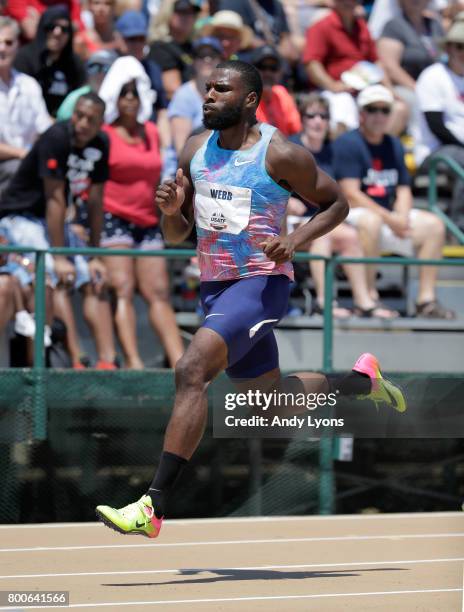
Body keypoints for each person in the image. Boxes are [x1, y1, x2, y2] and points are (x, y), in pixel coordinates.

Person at [96, 60, 406, 537]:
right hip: (216, 288)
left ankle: (151, 506)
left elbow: (338, 203)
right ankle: (361, 381)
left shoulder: (279, 153)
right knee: (268, 402)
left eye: (222, 89)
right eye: (207, 88)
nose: (209, 96)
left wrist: (297, 239)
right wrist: (173, 212)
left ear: (248, 100)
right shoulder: (195, 149)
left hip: (261, 285)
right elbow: (178, 234)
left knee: (191, 369)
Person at [0, 92, 118, 366]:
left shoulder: (101, 143)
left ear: (101, 123)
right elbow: (54, 199)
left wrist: (94, 253)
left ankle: (107, 362)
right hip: (21, 216)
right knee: (52, 272)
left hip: (55, 222)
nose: (82, 123)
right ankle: (77, 359)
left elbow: (96, 201)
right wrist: (60, 256)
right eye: (79, 115)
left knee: (95, 275)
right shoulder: (55, 137)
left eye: (91, 119)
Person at [333, 84, 455, 319]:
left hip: (385, 214)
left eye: (384, 110)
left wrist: (402, 216)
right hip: (352, 215)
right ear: (362, 113)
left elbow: (402, 187)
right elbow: (351, 193)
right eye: (372, 109)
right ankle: (369, 297)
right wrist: (391, 218)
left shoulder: (394, 144)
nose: (379, 115)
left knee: (434, 225)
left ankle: (425, 300)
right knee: (371, 221)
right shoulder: (348, 143)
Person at [98, 58, 184, 369]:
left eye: (135, 93)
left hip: (147, 219)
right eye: (124, 93)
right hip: (113, 215)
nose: (130, 100)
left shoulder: (150, 131)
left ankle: (180, 363)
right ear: (115, 98)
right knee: (121, 287)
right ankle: (134, 363)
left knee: (158, 291)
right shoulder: (104, 133)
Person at [289, 93, 398, 318]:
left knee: (349, 236)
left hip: (320, 219)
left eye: (323, 116)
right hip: (287, 222)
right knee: (324, 234)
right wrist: (288, 201)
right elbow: (269, 182)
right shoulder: (290, 148)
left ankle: (364, 301)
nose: (318, 121)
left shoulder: (333, 150)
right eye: (312, 115)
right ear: (303, 119)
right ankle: (323, 302)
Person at [302, 0, 407, 136]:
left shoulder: (362, 26)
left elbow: (376, 62)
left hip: (365, 88)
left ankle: (375, 151)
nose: (349, 2)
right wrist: (333, 85)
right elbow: (312, 63)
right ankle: (348, 152)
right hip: (335, 92)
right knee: (343, 104)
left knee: (399, 108)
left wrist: (390, 90)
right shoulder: (321, 26)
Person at [415, 13, 464, 232]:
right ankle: (459, 226)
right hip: (434, 151)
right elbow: (436, 127)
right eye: (459, 46)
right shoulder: (432, 76)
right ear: (449, 48)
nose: (463, 52)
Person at [0, 17, 52, 199]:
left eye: (8, 42)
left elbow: (44, 128)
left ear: (17, 45)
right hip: (11, 165)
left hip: (28, 162)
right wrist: (24, 154)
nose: (2, 49)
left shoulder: (29, 85)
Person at [13, 5, 86, 117]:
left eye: (64, 29)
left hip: (64, 126)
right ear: (42, 28)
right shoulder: (24, 58)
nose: (57, 33)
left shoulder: (75, 64)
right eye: (51, 27)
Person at [168, 36, 223, 155]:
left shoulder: (226, 94)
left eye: (212, 55)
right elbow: (181, 150)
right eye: (201, 55)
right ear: (193, 61)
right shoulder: (183, 95)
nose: (207, 60)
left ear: (220, 60)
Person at [148, 0, 201, 100]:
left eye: (192, 12)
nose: (188, 17)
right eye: (181, 11)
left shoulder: (193, 47)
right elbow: (174, 92)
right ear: (167, 13)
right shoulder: (160, 47)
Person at [251, 45, 301, 137]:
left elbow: (296, 131)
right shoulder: (246, 97)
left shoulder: (281, 93)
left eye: (273, 68)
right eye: (262, 67)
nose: (268, 73)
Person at [56, 49, 118, 121]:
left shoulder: (121, 97)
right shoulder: (75, 97)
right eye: (93, 67)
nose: (99, 73)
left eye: (106, 68)